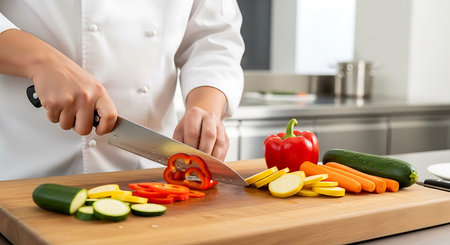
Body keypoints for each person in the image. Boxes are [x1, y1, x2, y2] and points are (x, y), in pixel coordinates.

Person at [0, 1, 244, 180]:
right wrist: (41, 62)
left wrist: (205, 108)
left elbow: (214, 38)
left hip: (150, 177)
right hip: (23, 172)